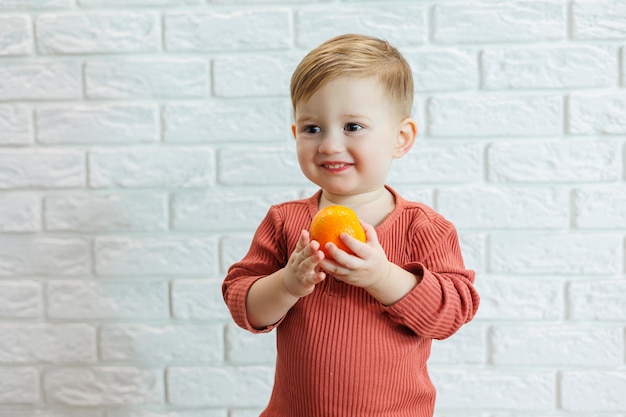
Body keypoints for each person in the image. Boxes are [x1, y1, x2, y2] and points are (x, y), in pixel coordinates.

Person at [222, 33, 479, 417]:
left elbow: (451, 313)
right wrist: (288, 284)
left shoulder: (424, 228)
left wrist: (382, 277)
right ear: (295, 135)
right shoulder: (285, 221)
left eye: (353, 127)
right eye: (312, 129)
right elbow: (245, 305)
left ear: (401, 137)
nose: (328, 145)